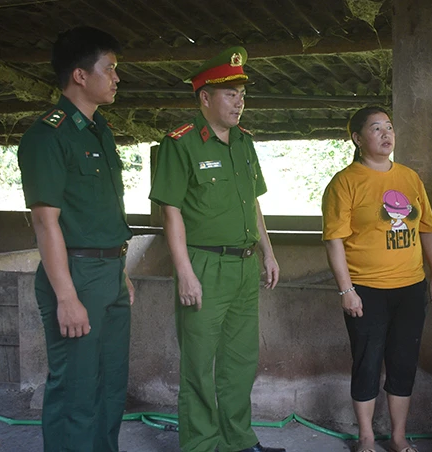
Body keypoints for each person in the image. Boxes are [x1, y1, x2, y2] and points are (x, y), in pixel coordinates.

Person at [149, 46, 284, 452]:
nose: (239, 101)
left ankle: (238, 441)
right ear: (204, 97)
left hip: (243, 266)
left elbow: (254, 203)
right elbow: (170, 211)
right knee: (199, 366)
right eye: (230, 94)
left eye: (242, 94)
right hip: (204, 265)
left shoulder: (243, 142)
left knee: (240, 362)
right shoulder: (181, 143)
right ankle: (202, 446)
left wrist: (269, 252)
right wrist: (184, 271)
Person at [17, 26, 134, 452]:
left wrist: (122, 272)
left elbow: (104, 211)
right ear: (81, 76)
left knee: (110, 386)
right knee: (76, 390)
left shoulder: (99, 130)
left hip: (111, 272)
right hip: (76, 273)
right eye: (111, 69)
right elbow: (46, 223)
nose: (117, 78)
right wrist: (66, 296)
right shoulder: (48, 136)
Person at [321, 106, 432, 452]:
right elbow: (334, 241)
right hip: (366, 290)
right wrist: (346, 290)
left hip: (410, 287)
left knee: (403, 362)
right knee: (367, 361)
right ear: (358, 139)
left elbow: (428, 229)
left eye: (389, 127)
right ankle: (365, 437)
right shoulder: (344, 182)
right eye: (375, 129)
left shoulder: (409, 178)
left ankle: (398, 436)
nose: (386, 134)